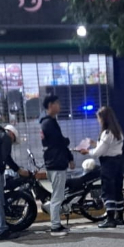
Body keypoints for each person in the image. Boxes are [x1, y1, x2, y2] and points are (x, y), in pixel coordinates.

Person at [81, 106, 124, 228]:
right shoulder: (118, 132)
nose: (98, 121)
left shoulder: (107, 133)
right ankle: (120, 217)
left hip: (108, 164)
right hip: (118, 162)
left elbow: (98, 152)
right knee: (117, 190)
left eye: (99, 118)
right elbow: (107, 147)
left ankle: (110, 219)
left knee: (108, 190)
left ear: (104, 118)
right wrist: (94, 143)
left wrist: (86, 151)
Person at [40, 95, 75, 236]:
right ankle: (55, 226)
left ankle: (57, 224)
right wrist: (66, 141)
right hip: (56, 164)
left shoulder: (49, 122)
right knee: (57, 196)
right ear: (50, 105)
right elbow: (59, 142)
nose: (59, 106)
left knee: (57, 195)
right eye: (57, 103)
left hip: (55, 163)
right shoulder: (48, 123)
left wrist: (69, 157)